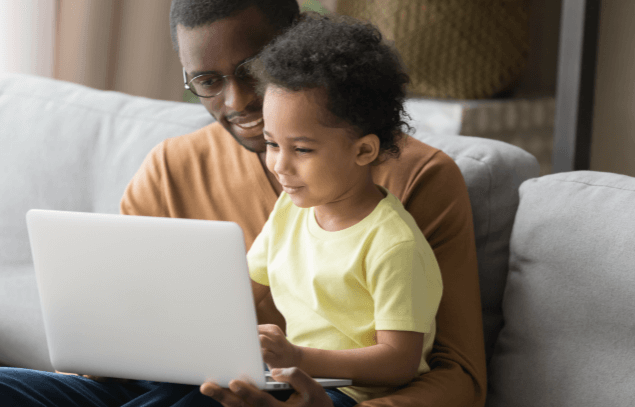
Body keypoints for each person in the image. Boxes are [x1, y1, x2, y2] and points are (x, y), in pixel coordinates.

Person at [0, 1, 486, 406]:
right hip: (169, 384)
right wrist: (99, 347)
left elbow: (458, 378)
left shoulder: (418, 181)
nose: (236, 102)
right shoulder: (171, 167)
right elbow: (161, 320)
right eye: (208, 81)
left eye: (252, 71)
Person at [241, 13, 443, 406]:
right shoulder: (290, 208)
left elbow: (400, 361)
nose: (280, 165)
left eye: (301, 149)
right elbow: (238, 293)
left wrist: (298, 358)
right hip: (287, 380)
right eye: (271, 144)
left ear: (363, 150)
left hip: (345, 393)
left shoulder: (393, 245)